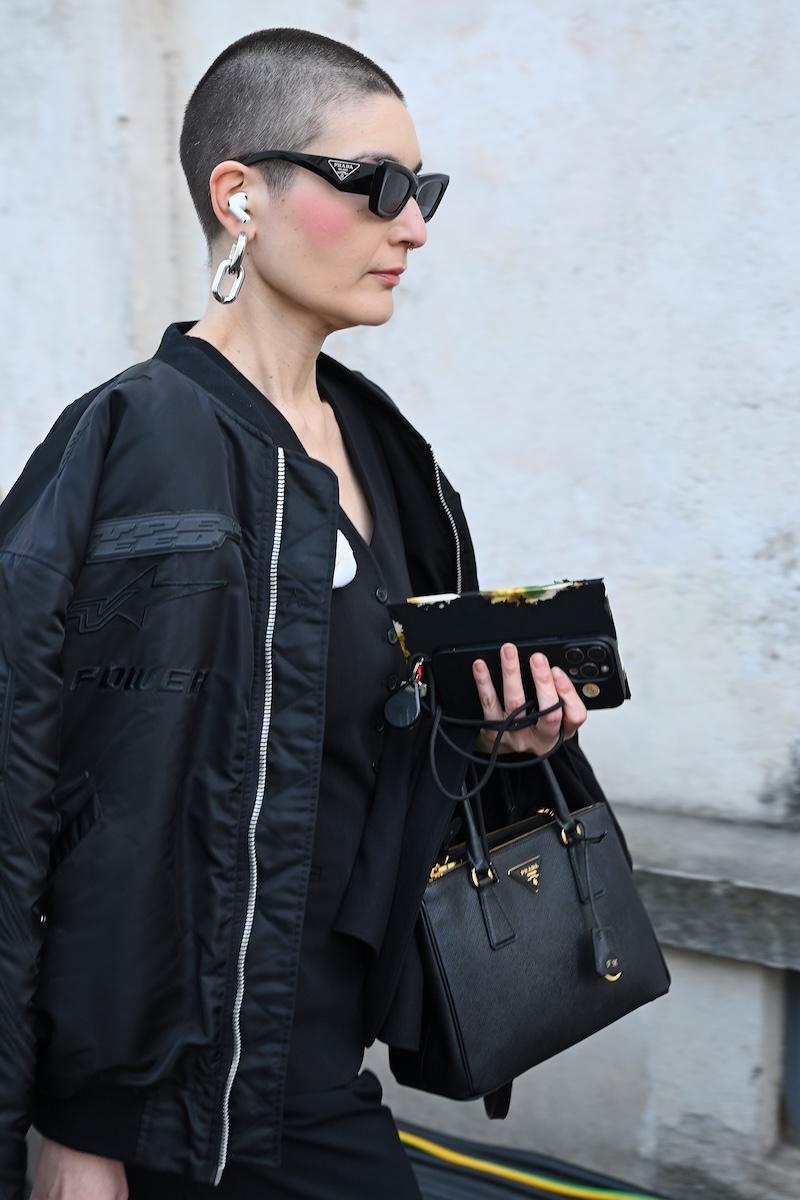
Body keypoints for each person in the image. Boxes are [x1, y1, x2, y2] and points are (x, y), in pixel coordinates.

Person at [0, 27, 605, 1200]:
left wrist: (491, 737)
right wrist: (81, 1126)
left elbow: (342, 761)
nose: (412, 226)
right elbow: (68, 803)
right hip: (164, 1106)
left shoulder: (387, 454)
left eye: (421, 189)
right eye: (374, 184)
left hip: (315, 1059)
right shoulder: (135, 441)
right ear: (239, 196)